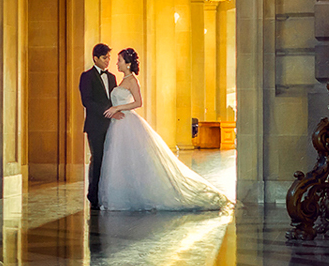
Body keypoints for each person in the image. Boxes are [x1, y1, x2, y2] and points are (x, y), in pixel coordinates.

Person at [98, 48, 231, 212]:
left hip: (128, 122)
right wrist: (115, 110)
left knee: (136, 160)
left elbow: (138, 102)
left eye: (119, 60)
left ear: (128, 63)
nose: (116, 63)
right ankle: (124, 196)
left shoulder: (132, 80)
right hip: (118, 124)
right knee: (121, 161)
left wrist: (118, 107)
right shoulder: (121, 80)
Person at [78, 42, 118, 210]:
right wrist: (107, 110)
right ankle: (93, 195)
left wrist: (116, 110)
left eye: (109, 57)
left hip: (112, 125)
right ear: (95, 58)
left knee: (110, 159)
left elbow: (115, 99)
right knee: (97, 158)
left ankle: (106, 193)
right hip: (95, 125)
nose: (107, 61)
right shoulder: (86, 76)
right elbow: (87, 101)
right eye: (104, 58)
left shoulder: (112, 77)